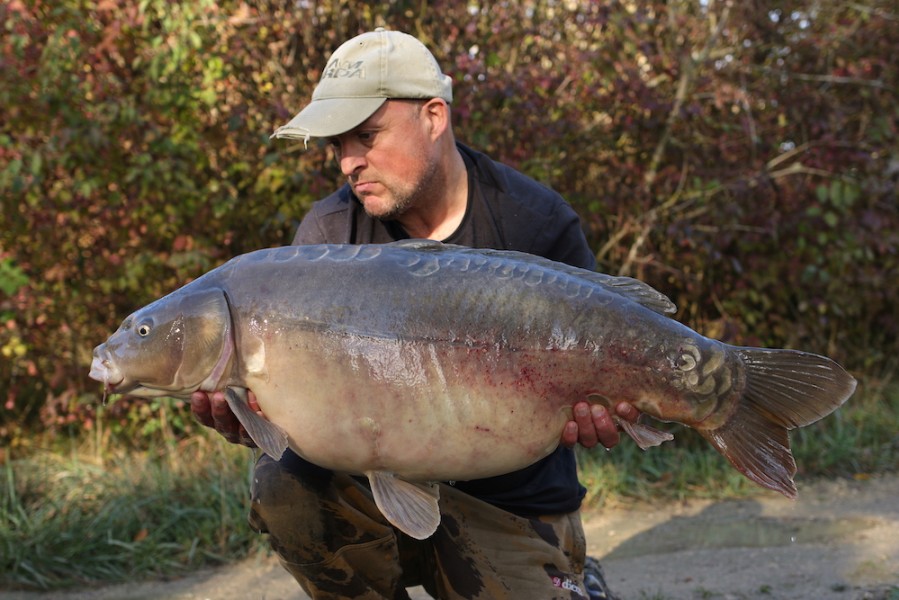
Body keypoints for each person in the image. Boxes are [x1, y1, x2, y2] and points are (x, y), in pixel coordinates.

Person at [191, 28, 639, 600]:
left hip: (511, 503)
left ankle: (572, 577)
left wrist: (607, 410)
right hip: (373, 498)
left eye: (367, 136)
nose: (349, 162)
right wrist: (253, 420)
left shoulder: (534, 223)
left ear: (433, 116)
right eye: (336, 145)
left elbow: (608, 380)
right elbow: (293, 417)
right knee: (283, 485)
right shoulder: (327, 239)